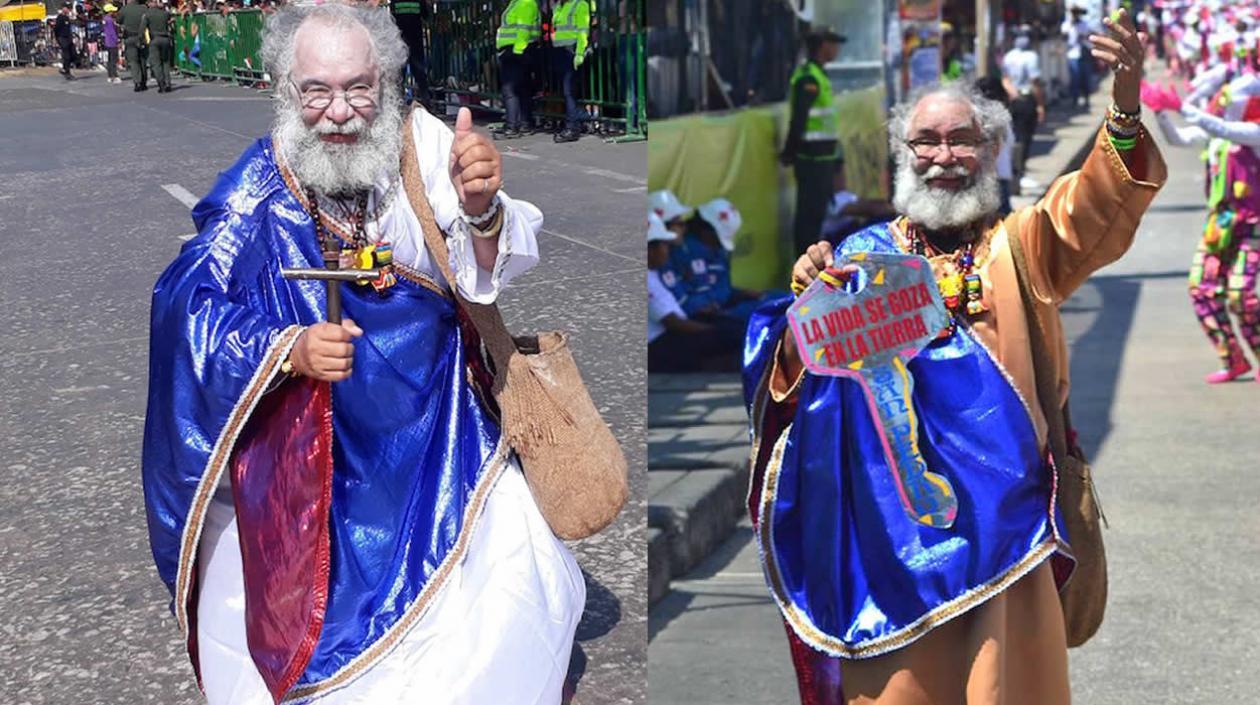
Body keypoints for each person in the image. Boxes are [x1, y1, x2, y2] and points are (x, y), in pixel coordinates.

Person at [141, 4, 585, 702]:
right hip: (318, 460)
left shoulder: (422, 146)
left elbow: (485, 259)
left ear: (387, 81)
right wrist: (285, 347)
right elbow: (184, 303)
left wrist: (482, 208)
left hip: (442, 434)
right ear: (285, 90)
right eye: (316, 90)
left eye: (359, 88)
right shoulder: (260, 186)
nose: (340, 111)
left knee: (506, 602)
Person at [744, 11, 1163, 703]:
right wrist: (804, 312)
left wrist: (1123, 105)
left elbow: (1095, 203)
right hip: (888, 544)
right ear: (900, 155)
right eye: (926, 141)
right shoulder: (859, 258)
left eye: (961, 139)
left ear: (992, 149)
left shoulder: (1023, 246)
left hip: (1008, 531)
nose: (943, 156)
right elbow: (792, 387)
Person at [1151, 60, 1260, 382]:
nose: (1224, 104)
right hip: (1219, 226)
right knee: (1202, 290)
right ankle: (1233, 360)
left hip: (1253, 228)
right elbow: (1177, 139)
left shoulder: (1254, 133)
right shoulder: (1216, 135)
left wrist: (1181, 105)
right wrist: (1159, 112)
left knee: (1242, 295)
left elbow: (1223, 128)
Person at [648, 212, 742, 372]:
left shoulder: (654, 273)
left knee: (734, 328)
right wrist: (713, 331)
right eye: (664, 245)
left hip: (674, 331)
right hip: (660, 345)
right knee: (729, 337)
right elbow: (673, 323)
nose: (667, 250)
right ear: (649, 249)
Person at [782, 27, 845, 256]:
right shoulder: (809, 76)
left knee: (817, 216)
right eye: (833, 43)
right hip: (811, 159)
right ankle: (803, 266)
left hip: (823, 158)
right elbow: (799, 117)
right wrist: (790, 152)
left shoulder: (819, 74)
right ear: (822, 45)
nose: (837, 49)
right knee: (808, 217)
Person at [1001, 25, 1044, 195]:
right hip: (1026, 99)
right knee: (1024, 138)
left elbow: (1005, 79)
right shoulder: (1031, 56)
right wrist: (1040, 105)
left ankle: (1015, 172)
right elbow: (1035, 83)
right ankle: (1020, 173)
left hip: (1013, 99)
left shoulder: (1009, 56)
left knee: (1014, 136)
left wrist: (1013, 93)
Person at [819, 160, 897, 245]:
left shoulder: (844, 196)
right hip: (836, 242)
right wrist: (894, 208)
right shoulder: (833, 200)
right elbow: (869, 208)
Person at [494, 0, 542, 139]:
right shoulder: (517, 2)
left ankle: (512, 126)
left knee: (510, 90)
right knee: (522, 89)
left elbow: (524, 29)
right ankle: (524, 123)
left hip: (517, 50)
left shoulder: (525, 3)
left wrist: (516, 51)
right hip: (519, 50)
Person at [551, 0, 592, 143]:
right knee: (567, 91)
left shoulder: (580, 4)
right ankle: (578, 121)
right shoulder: (560, 6)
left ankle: (572, 128)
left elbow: (582, 31)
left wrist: (580, 53)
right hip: (560, 51)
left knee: (569, 91)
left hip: (571, 51)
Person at [975, 74, 1016, 215]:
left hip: (986, 175)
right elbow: (1009, 144)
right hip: (998, 174)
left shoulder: (976, 119)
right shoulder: (1002, 118)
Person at [389, 0, 429, 107]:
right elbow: (425, 14)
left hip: (400, 38)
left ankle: (398, 103)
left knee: (400, 72)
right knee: (419, 70)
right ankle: (426, 102)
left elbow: (392, 15)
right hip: (415, 37)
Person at [1064, 4, 1096, 108]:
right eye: (1073, 13)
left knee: (1085, 77)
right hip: (1073, 54)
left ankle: (1086, 98)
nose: (1075, 15)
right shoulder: (1067, 25)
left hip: (1084, 54)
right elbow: (1064, 37)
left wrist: (1083, 37)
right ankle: (1075, 99)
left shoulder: (1084, 24)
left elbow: (1088, 36)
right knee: (1075, 78)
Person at [143, 0, 174, 93]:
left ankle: (161, 83)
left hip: (154, 39)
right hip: (165, 38)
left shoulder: (147, 15)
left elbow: (142, 28)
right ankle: (168, 83)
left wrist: (141, 39)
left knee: (156, 63)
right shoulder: (164, 13)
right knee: (165, 62)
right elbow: (171, 18)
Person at [119, 0, 148, 91]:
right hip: (141, 37)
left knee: (134, 61)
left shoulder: (124, 9)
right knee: (142, 60)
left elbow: (119, 20)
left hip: (130, 37)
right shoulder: (144, 8)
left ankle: (137, 81)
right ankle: (143, 81)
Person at [53, 3, 75, 80]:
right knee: (67, 56)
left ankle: (65, 68)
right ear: (63, 8)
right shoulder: (60, 18)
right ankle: (67, 72)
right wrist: (57, 39)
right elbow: (56, 29)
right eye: (67, 8)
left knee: (73, 54)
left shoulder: (67, 18)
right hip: (62, 38)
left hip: (68, 38)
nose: (69, 10)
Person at [103, 4, 121, 83]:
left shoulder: (105, 19)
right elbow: (112, 32)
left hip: (107, 41)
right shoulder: (110, 20)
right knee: (114, 59)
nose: (114, 12)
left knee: (110, 59)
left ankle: (110, 75)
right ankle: (115, 76)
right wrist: (117, 40)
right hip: (112, 42)